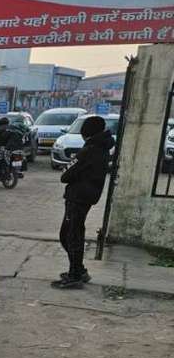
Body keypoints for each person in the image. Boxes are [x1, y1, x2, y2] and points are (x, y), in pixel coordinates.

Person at [52, 115, 114, 289]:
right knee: (70, 233)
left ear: (87, 133)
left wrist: (71, 171)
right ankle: (78, 270)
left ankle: (75, 274)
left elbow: (66, 174)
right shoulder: (102, 147)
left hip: (78, 197)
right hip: (87, 196)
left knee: (71, 235)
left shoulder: (89, 150)